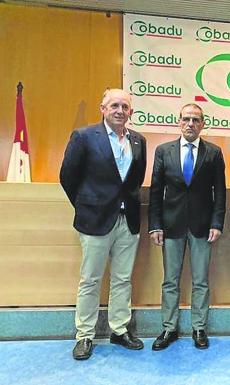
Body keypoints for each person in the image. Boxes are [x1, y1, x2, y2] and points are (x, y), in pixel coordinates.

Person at [60, 88, 147, 360]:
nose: (120, 111)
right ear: (103, 109)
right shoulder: (85, 137)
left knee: (122, 279)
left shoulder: (138, 140)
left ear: (131, 112)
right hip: (94, 220)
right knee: (90, 280)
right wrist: (87, 205)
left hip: (127, 220)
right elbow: (67, 177)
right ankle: (84, 335)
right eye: (114, 106)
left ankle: (119, 330)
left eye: (124, 107)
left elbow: (135, 180)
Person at [148, 103, 226, 350]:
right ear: (178, 122)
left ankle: (199, 327)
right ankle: (169, 328)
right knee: (170, 280)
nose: (190, 124)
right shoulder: (163, 151)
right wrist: (155, 225)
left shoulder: (213, 152)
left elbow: (220, 192)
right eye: (186, 119)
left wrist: (217, 222)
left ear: (203, 124)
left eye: (196, 120)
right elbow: (156, 191)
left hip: (203, 227)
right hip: (171, 226)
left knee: (201, 280)